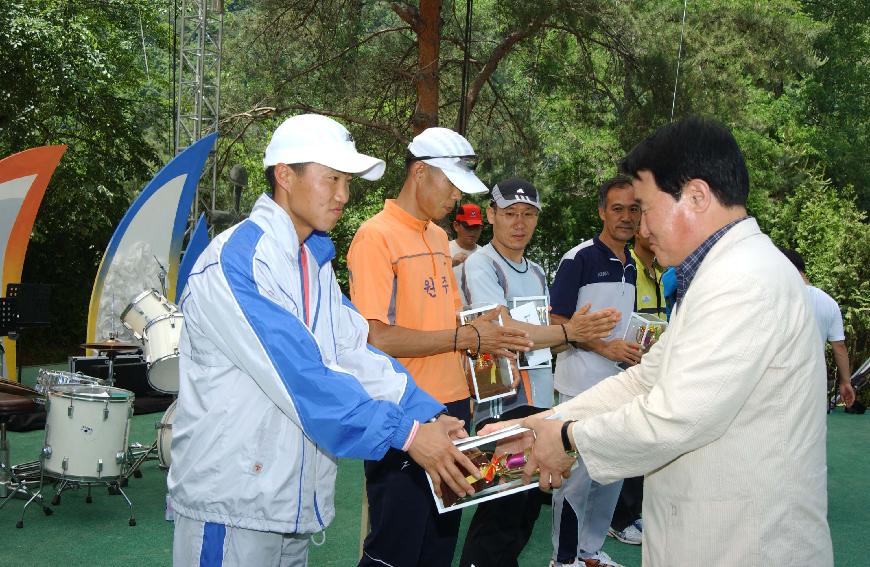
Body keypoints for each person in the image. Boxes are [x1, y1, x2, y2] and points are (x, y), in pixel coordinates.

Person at [518, 116, 834, 566]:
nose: (640, 228)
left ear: (698, 197)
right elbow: (646, 381)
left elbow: (675, 417)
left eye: (645, 207)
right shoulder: (720, 275)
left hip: (745, 546)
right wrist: (540, 423)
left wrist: (566, 438)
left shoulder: (743, 281)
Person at [168, 114, 480, 567]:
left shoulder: (311, 266)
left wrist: (429, 414)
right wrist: (409, 433)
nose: (342, 195)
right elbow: (304, 379)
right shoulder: (238, 262)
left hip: (287, 506)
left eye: (347, 181)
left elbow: (357, 353)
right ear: (284, 175)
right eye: (331, 178)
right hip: (231, 507)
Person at [346, 127, 536, 567]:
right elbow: (373, 337)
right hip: (403, 411)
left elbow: (451, 318)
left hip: (453, 408)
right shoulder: (375, 237)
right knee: (395, 547)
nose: (455, 198)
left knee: (438, 543)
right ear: (419, 173)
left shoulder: (434, 236)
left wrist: (484, 334)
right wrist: (465, 337)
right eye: (449, 184)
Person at [458, 177, 619, 567]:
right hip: (500, 405)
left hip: (536, 403)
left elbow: (549, 339)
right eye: (510, 214)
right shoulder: (482, 264)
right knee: (499, 508)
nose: (519, 223)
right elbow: (501, 332)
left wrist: (579, 334)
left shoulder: (535, 271)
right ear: (491, 215)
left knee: (525, 508)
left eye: (528, 214)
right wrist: (567, 331)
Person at [545, 176, 641, 567]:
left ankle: (589, 552)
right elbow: (557, 322)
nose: (626, 217)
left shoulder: (632, 264)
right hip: (580, 388)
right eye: (617, 208)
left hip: (620, 389)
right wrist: (606, 348)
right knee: (575, 480)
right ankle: (563, 558)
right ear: (602, 211)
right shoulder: (578, 258)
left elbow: (622, 328)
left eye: (634, 209)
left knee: (611, 474)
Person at [607, 229, 667, 547]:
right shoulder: (624, 264)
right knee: (626, 443)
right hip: (624, 369)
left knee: (645, 442)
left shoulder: (658, 269)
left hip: (651, 367)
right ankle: (618, 518)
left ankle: (631, 512)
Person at [780, 247, 856, 409]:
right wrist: (845, 381)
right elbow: (839, 347)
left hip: (781, 379)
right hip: (814, 380)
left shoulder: (778, 297)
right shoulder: (829, 302)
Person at [450, 203, 484, 305]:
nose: (472, 231)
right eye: (467, 226)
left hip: (479, 315)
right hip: (451, 315)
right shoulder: (443, 250)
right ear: (456, 226)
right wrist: (450, 263)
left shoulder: (485, 255)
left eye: (476, 227)